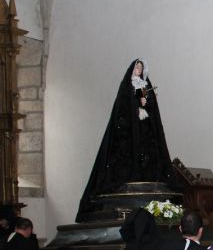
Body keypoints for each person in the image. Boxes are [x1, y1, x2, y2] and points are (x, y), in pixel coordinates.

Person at [76, 59, 179, 222]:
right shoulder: (128, 85)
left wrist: (147, 101)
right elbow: (124, 106)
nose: (139, 69)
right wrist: (137, 103)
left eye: (141, 67)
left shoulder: (143, 85)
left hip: (144, 128)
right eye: (137, 67)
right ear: (132, 69)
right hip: (129, 131)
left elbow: (150, 105)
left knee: (148, 152)